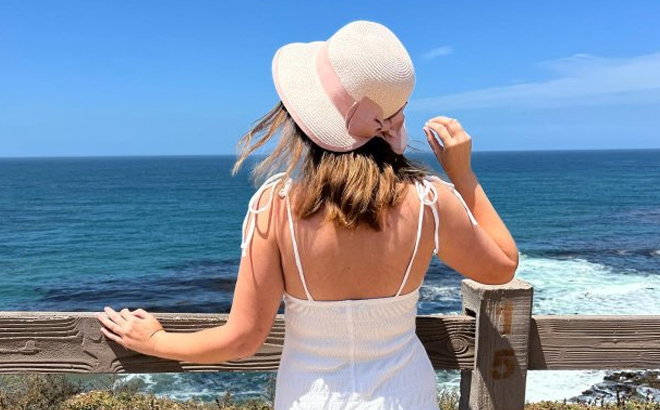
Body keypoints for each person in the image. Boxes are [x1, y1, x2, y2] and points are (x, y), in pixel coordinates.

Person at [96, 20, 519, 410]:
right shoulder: (430, 201)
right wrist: (462, 175)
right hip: (405, 397)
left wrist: (156, 340)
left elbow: (243, 339)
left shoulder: (276, 206)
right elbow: (502, 267)